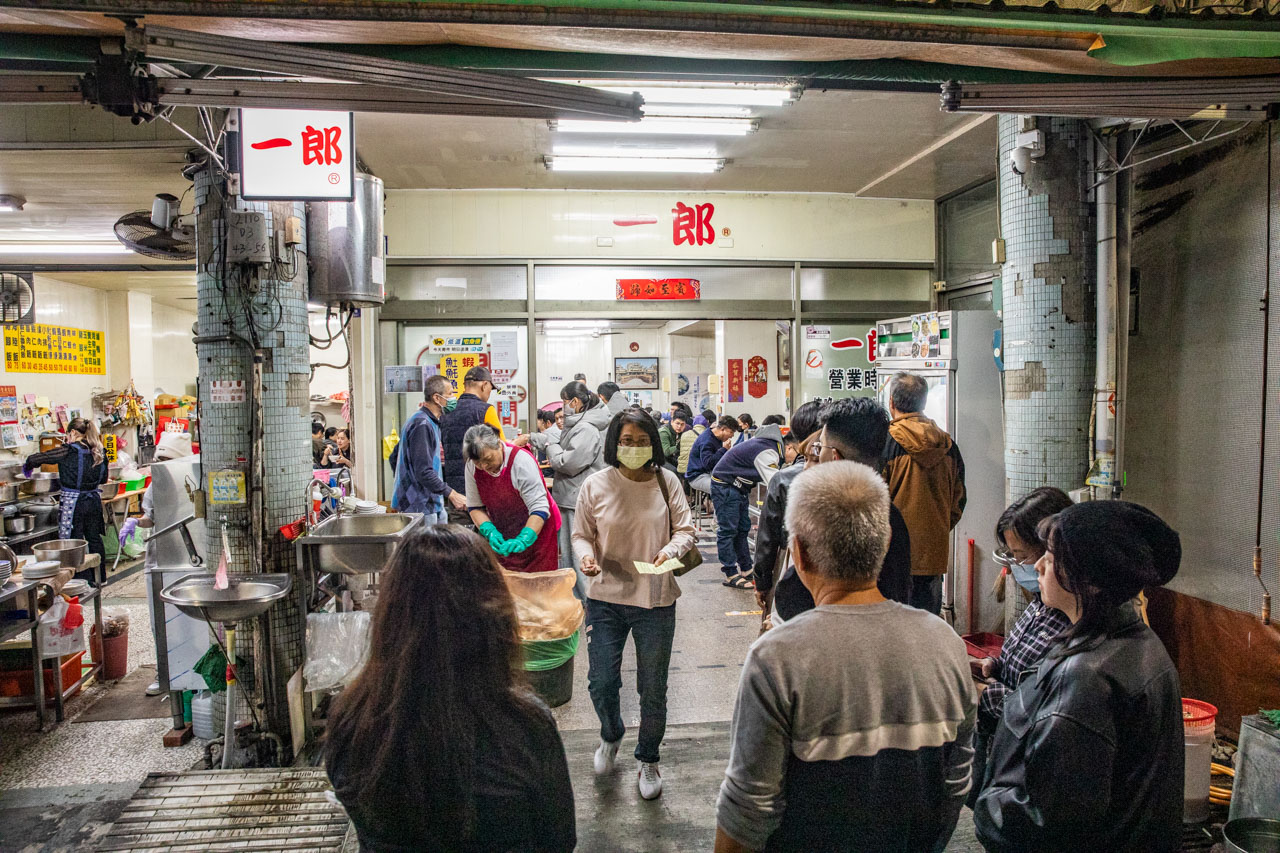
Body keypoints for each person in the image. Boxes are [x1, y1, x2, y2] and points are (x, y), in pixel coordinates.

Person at [716, 462, 975, 853]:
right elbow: (955, 782)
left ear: (799, 553)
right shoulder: (946, 642)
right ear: (885, 543)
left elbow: (748, 812)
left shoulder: (777, 657)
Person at [326, 525, 576, 853]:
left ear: (391, 615)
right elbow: (559, 841)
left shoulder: (350, 721)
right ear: (493, 618)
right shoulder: (527, 726)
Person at [974, 501, 1184, 853]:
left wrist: (987, 805)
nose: (1038, 566)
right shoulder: (1139, 642)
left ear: (1091, 580)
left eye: (1051, 558)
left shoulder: (1087, 678)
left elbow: (1049, 823)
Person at [572, 410, 696, 802]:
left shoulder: (666, 481)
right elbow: (581, 534)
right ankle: (611, 733)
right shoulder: (595, 484)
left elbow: (686, 530)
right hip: (605, 597)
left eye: (643, 442)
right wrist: (586, 557)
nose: (635, 448)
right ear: (615, 443)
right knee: (602, 680)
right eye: (627, 441)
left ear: (653, 444)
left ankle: (648, 757)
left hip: (655, 598)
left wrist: (670, 550)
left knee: (653, 686)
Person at [757, 398, 912, 622]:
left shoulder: (819, 514)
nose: (810, 463)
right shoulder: (890, 515)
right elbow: (901, 589)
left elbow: (792, 600)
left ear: (835, 456)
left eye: (818, 449)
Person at [967, 487, 1074, 808]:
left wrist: (984, 692)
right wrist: (995, 666)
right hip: (999, 747)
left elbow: (1039, 715)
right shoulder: (1041, 602)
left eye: (1022, 556)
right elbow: (1024, 666)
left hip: (1024, 771)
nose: (1020, 567)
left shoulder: (1072, 626)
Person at [118, 430, 194, 696]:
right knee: (160, 622)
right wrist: (135, 522)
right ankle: (164, 673)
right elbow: (149, 516)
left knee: (190, 622)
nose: (162, 466)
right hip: (160, 557)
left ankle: (192, 672)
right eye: (159, 461)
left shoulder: (193, 479)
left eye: (167, 460)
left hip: (190, 556)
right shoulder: (155, 485)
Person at [884, 372, 966, 615]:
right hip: (933, 558)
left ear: (891, 402)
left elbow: (874, 499)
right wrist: (936, 530)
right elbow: (958, 501)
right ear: (924, 402)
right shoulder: (948, 446)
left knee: (895, 626)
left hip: (892, 557)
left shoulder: (886, 442)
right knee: (926, 625)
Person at [521, 381, 611, 599]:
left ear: (575, 402)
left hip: (576, 499)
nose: (563, 408)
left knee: (578, 554)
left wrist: (549, 446)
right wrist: (537, 439)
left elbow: (567, 463)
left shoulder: (587, 429)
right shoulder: (582, 425)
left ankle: (586, 603)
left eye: (564, 402)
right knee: (572, 554)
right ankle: (580, 600)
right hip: (572, 497)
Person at [463, 425, 560, 573]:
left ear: (498, 444)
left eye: (488, 459)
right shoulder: (472, 467)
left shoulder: (521, 461)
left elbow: (539, 508)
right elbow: (475, 506)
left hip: (538, 533)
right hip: (503, 532)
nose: (483, 466)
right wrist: (489, 531)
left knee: (539, 583)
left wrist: (524, 538)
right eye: (478, 463)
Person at [709, 421, 792, 589]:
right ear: (789, 447)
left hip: (737, 487)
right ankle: (731, 573)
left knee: (742, 529)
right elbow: (776, 484)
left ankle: (746, 569)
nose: (793, 461)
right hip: (726, 486)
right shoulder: (768, 451)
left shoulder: (766, 444)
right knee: (728, 530)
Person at [23, 417, 109, 578]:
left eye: (67, 434)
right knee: (94, 538)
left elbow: (37, 458)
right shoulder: (99, 451)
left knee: (74, 541)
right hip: (93, 501)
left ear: (73, 432)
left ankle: (81, 579)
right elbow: (103, 479)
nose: (67, 438)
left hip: (74, 503)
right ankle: (100, 577)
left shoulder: (69, 450)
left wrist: (27, 466)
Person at [391, 376, 468, 524]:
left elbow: (395, 457)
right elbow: (423, 471)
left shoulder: (429, 421)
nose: (454, 398)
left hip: (428, 502)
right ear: (437, 398)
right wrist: (452, 494)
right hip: (420, 506)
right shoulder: (422, 424)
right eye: (450, 394)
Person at [441, 366, 505, 523]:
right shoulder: (486, 410)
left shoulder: (446, 412)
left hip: (455, 493)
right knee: (485, 534)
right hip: (482, 490)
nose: (489, 393)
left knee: (461, 536)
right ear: (484, 385)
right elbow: (501, 447)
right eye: (490, 389)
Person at [686, 416, 739, 492]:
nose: (732, 436)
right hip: (698, 476)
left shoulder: (716, 437)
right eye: (731, 432)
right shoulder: (706, 440)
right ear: (722, 429)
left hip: (712, 472)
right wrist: (724, 449)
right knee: (723, 490)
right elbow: (708, 464)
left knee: (737, 485)